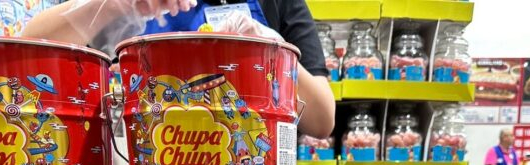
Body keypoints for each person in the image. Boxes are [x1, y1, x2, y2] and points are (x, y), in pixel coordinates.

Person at [23, 0, 335, 138]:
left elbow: (322, 120)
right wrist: (113, 4)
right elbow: (30, 49)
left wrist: (274, 49)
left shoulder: (279, 2)